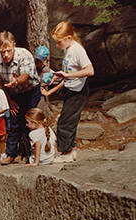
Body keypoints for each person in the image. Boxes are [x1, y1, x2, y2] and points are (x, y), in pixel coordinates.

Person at [0, 30, 41, 165]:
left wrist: (16, 81)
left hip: (31, 91)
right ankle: (11, 154)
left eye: (8, 50)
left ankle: (29, 154)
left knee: (29, 122)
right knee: (14, 124)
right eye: (3, 52)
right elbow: (1, 83)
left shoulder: (24, 54)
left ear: (14, 45)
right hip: (14, 94)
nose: (6, 55)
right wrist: (10, 101)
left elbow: (25, 75)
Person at [52, 21, 94, 163]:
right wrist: (59, 77)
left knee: (64, 122)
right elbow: (71, 69)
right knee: (69, 120)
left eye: (59, 42)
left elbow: (90, 70)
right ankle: (72, 149)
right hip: (70, 89)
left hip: (78, 90)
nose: (58, 46)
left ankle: (66, 153)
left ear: (69, 38)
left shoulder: (77, 50)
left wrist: (67, 76)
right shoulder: (68, 49)